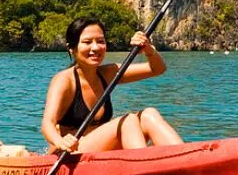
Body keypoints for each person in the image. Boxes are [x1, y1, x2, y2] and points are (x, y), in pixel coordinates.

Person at [41, 17, 184, 154]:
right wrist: (60, 142)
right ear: (72, 48)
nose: (95, 47)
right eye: (87, 42)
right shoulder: (64, 80)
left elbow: (157, 69)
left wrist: (148, 49)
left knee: (149, 114)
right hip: (69, 153)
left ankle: (186, 159)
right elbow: (47, 124)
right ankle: (144, 168)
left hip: (101, 152)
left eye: (100, 41)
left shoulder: (109, 73)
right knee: (128, 120)